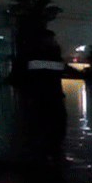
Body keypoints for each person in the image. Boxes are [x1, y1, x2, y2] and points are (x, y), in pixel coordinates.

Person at [23, 29, 68, 166]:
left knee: (52, 125)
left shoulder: (35, 55)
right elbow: (58, 70)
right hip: (45, 97)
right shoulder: (44, 55)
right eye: (52, 40)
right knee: (51, 124)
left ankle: (46, 153)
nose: (54, 42)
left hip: (46, 96)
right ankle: (48, 153)